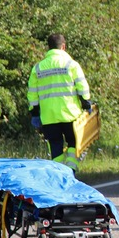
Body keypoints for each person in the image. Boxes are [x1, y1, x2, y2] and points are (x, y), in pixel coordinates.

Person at [27, 33, 92, 170]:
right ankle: (71, 171)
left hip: (49, 117)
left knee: (55, 145)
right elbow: (82, 86)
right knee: (74, 143)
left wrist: (35, 113)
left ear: (49, 48)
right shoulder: (71, 64)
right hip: (71, 114)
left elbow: (32, 94)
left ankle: (59, 175)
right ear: (63, 46)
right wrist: (86, 103)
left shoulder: (38, 68)